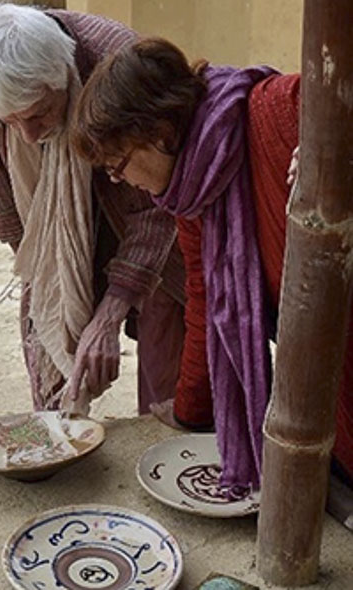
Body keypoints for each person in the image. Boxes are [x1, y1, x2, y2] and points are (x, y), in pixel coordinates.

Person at [71, 37, 352, 492]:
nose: (121, 181)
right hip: (329, 383)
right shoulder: (192, 197)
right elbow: (206, 306)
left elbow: (341, 99)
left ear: (159, 133)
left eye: (118, 165)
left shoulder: (278, 112)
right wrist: (188, 411)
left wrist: (342, 154)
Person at [0, 5, 186, 416]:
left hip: (143, 209)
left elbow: (158, 206)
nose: (28, 137)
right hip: (51, 221)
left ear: (63, 75)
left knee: (166, 344)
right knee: (50, 323)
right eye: (12, 122)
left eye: (39, 114)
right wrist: (43, 267)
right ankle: (60, 439)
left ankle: (163, 447)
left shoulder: (118, 64)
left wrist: (110, 312)